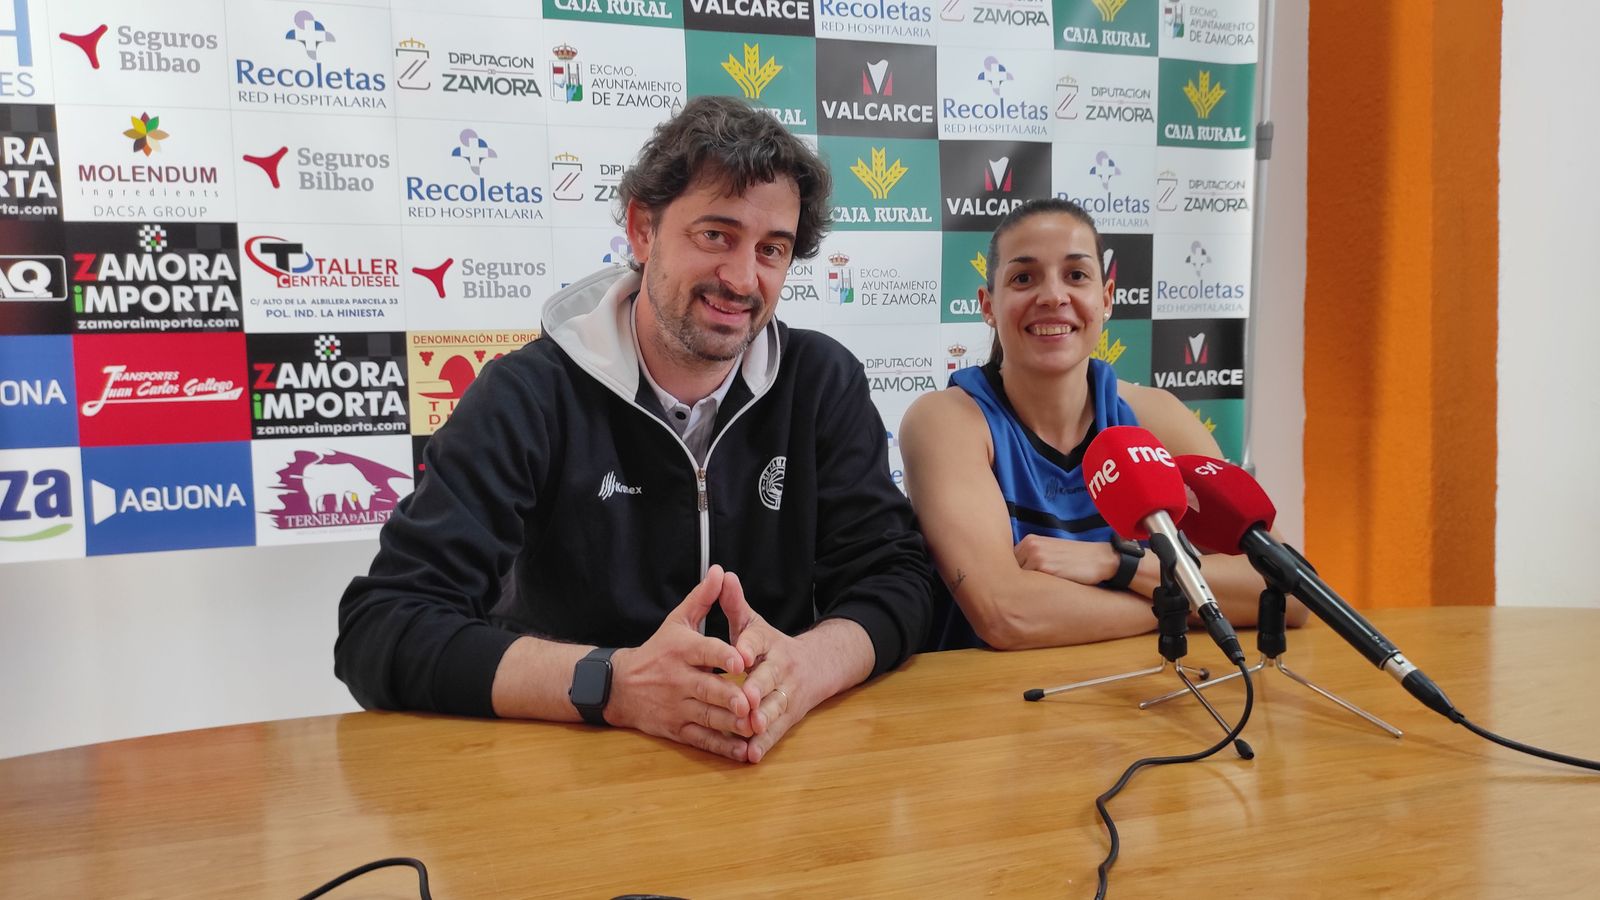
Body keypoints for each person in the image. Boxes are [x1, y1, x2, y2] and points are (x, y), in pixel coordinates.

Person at [335, 97, 932, 763]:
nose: (741, 278)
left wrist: (807, 666)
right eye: (716, 235)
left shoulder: (822, 381)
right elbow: (381, 627)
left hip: (769, 762)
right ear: (643, 231)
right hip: (573, 774)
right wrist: (612, 684)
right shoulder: (529, 393)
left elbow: (898, 578)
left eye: (772, 249)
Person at [900, 198, 1304, 650]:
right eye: (1023, 278)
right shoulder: (946, 420)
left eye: (1076, 275)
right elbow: (1007, 614)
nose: (1053, 296)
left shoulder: (1158, 416)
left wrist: (1117, 564)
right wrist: (1181, 607)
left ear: (1106, 298)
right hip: (995, 706)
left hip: (1143, 695)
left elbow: (1289, 587)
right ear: (988, 305)